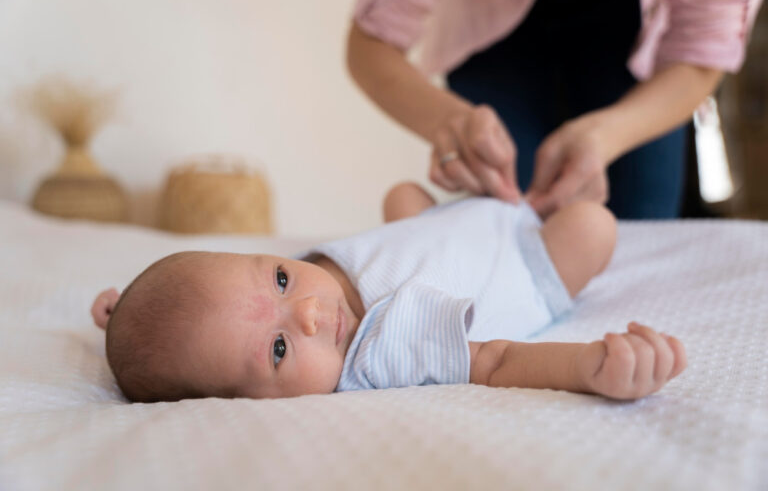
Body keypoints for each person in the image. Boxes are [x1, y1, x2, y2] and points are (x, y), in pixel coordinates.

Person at [91, 185, 686, 402]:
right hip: (520, 258)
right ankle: (544, 213)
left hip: (441, 223)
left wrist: (130, 314)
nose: (310, 313)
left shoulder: (299, 287)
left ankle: (483, 201)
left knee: (403, 195)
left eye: (279, 278)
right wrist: (587, 367)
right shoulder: (380, 349)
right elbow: (497, 361)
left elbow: (205, 316)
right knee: (593, 224)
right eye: (277, 350)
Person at [347, 0, 767, 219]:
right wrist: (448, 122)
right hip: (494, 41)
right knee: (514, 217)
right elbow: (371, 44)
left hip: (634, 45)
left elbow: (700, 55)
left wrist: (604, 136)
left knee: (642, 220)